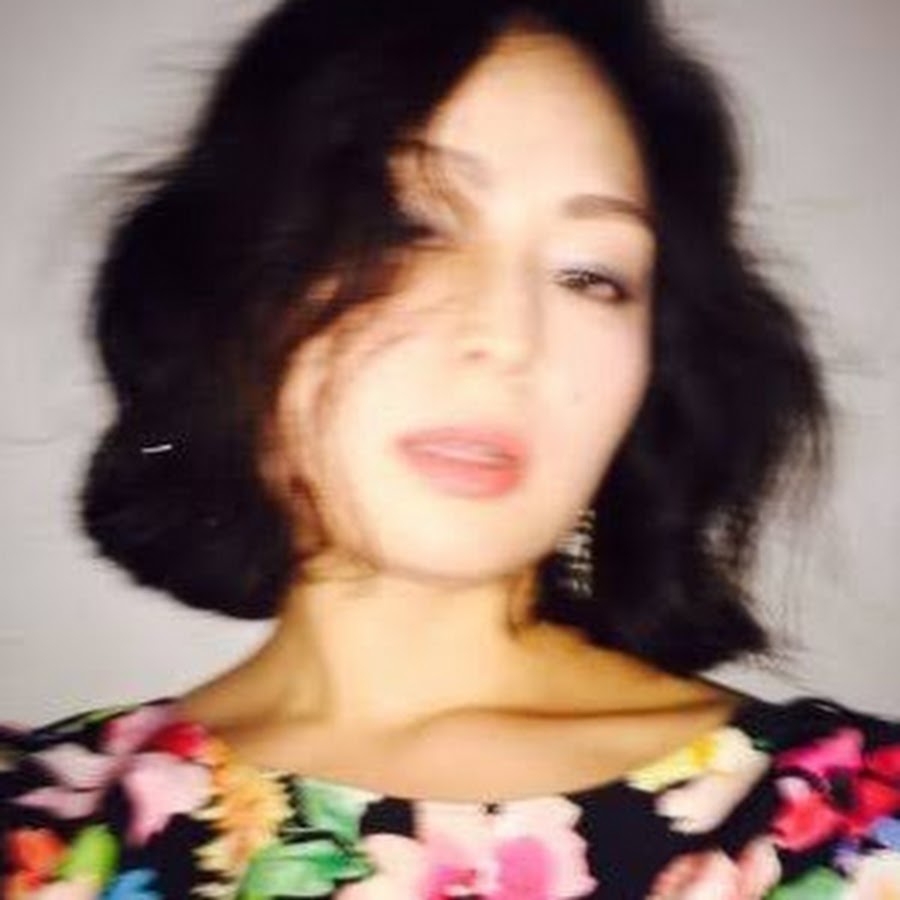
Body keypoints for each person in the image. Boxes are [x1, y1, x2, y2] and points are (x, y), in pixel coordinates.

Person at [1, 0, 898, 897]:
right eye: (413, 226)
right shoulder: (40, 828)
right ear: (233, 293)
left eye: (591, 275)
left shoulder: (844, 829)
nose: (510, 337)